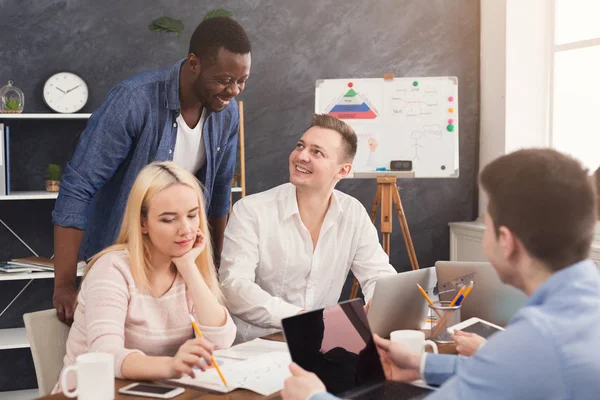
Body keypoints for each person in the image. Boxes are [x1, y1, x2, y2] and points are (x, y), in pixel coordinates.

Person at [283, 148, 600, 400]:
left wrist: (312, 396)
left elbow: (516, 364)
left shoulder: (536, 339)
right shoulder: (582, 303)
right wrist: (421, 364)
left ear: (506, 241)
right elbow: (516, 370)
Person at [52, 16, 252, 324]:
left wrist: (212, 274)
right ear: (194, 63)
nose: (233, 91)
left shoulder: (225, 117)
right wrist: (64, 284)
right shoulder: (134, 101)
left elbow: (219, 196)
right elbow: (78, 186)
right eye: (225, 79)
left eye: (241, 81)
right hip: (118, 262)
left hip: (176, 266)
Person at [54, 162, 236, 393]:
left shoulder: (185, 263)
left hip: (152, 391)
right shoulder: (112, 270)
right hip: (90, 393)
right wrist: (170, 365)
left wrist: (188, 267)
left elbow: (222, 340)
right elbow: (105, 354)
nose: (186, 229)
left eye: (192, 215)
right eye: (169, 219)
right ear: (142, 223)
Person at [219, 114, 396, 342]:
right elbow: (233, 287)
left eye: (317, 152)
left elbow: (377, 276)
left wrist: (382, 307)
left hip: (321, 345)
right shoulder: (251, 210)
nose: (301, 156)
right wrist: (302, 319)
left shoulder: (353, 213)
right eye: (300, 146)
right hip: (259, 345)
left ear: (342, 171)